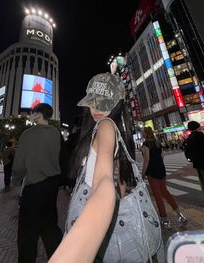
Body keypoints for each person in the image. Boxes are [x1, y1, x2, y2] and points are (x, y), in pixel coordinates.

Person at [50, 73, 137, 262]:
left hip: (94, 221)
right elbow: (120, 182)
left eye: (104, 102)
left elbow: (103, 179)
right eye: (93, 101)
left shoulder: (105, 125)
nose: (96, 107)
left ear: (118, 104)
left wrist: (79, 247)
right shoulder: (111, 130)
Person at [12, 103, 63, 263]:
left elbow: (19, 164)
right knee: (49, 226)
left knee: (28, 234)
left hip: (33, 186)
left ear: (39, 114)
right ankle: (60, 258)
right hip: (51, 186)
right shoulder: (56, 133)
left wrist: (16, 179)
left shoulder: (27, 134)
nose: (31, 115)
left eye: (33, 113)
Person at [141, 126, 187, 229]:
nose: (141, 133)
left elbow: (146, 160)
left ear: (146, 133)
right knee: (165, 192)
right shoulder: (157, 142)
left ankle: (165, 220)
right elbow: (162, 156)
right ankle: (180, 215)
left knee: (158, 196)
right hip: (161, 169)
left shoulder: (145, 145)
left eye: (142, 132)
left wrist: (142, 173)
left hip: (152, 171)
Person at [186, 121, 204, 210]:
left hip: (197, 163)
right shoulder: (200, 136)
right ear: (197, 127)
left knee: (203, 183)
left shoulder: (190, 137)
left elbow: (188, 151)